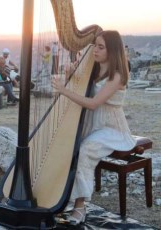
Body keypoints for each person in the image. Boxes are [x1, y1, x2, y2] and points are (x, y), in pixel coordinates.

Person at [52, 30, 136, 225]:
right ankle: (60, 198)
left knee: (84, 150)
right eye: (95, 45)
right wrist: (70, 74)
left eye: (100, 47)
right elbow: (79, 88)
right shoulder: (94, 68)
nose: (95, 50)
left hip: (112, 128)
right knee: (67, 146)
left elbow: (92, 103)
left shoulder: (117, 75)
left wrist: (64, 91)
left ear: (112, 50)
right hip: (92, 124)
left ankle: (80, 206)